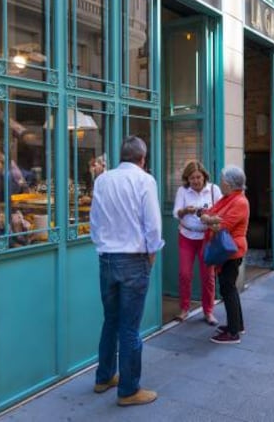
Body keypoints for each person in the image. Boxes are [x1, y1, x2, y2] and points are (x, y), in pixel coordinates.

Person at [90, 136, 164, 407]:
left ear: (122, 156)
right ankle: (129, 390)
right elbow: (153, 224)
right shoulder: (145, 180)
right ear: (143, 159)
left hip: (107, 258)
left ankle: (104, 377)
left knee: (110, 320)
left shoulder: (103, 179)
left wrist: (102, 247)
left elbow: (94, 220)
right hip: (133, 259)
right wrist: (152, 252)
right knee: (130, 327)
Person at [201, 165, 250, 344]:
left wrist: (208, 220)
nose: (220, 183)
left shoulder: (239, 202)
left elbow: (221, 225)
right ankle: (237, 325)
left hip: (232, 250)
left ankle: (233, 333)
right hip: (227, 249)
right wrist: (208, 218)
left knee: (227, 289)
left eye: (223, 181)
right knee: (230, 288)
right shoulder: (229, 198)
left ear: (230, 184)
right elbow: (210, 214)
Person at [173, 160, 222, 325]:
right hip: (186, 236)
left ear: (204, 176)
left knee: (208, 276)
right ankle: (184, 308)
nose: (195, 181)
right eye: (192, 178)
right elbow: (176, 213)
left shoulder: (214, 190)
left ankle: (208, 311)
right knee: (184, 274)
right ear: (187, 179)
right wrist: (186, 210)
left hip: (206, 238)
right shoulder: (183, 191)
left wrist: (210, 218)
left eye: (198, 177)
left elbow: (222, 211)